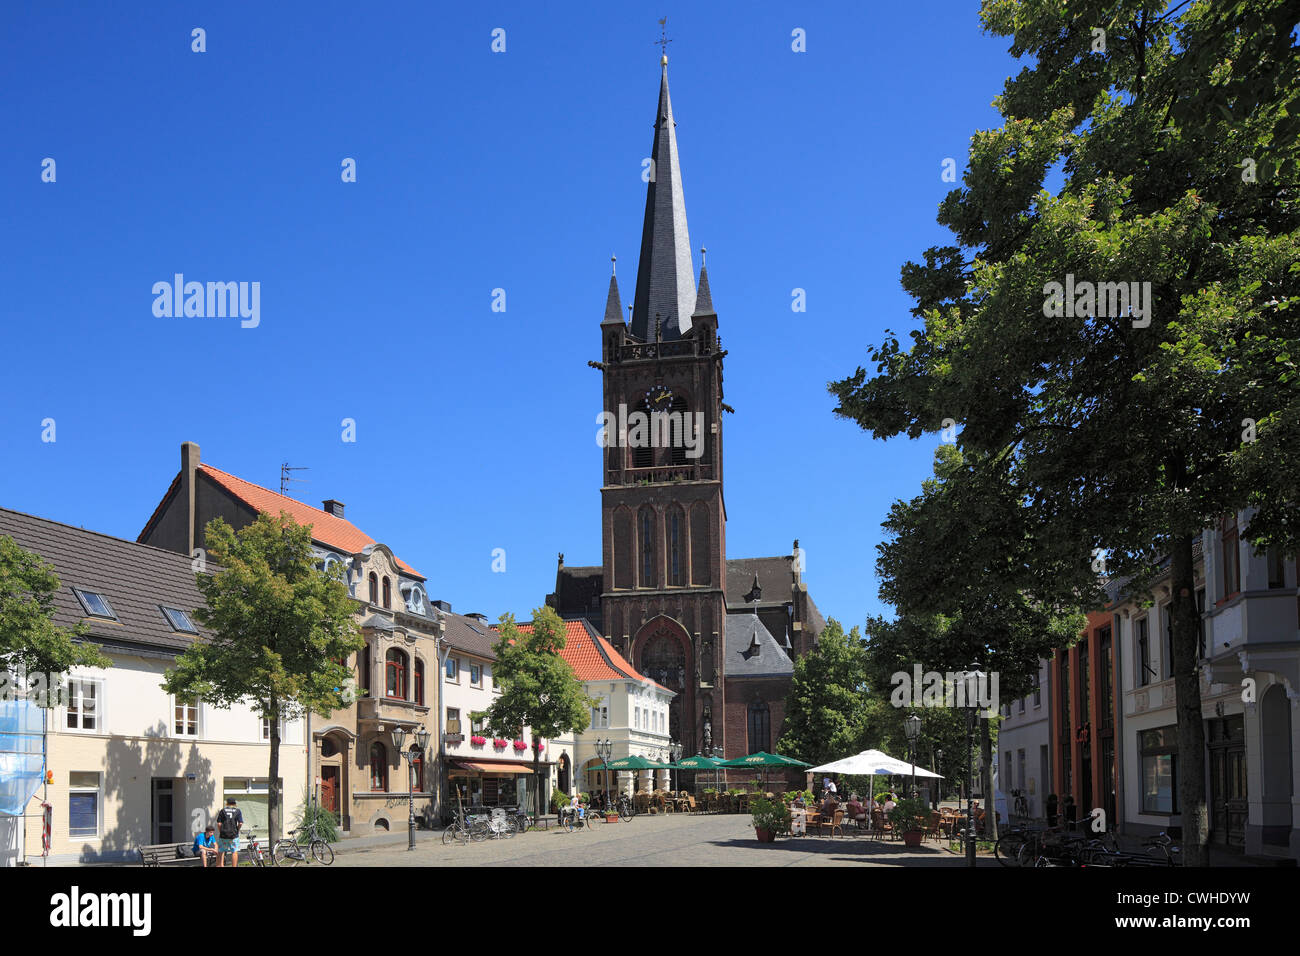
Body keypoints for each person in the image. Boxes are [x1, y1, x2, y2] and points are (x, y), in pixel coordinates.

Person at [214, 797, 244, 867]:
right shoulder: (238, 811)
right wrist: (237, 830)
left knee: (221, 851)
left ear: (227, 803)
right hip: (233, 835)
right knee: (234, 852)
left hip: (223, 835)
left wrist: (220, 831)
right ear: (235, 804)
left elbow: (219, 823)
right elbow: (240, 823)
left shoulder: (222, 811)